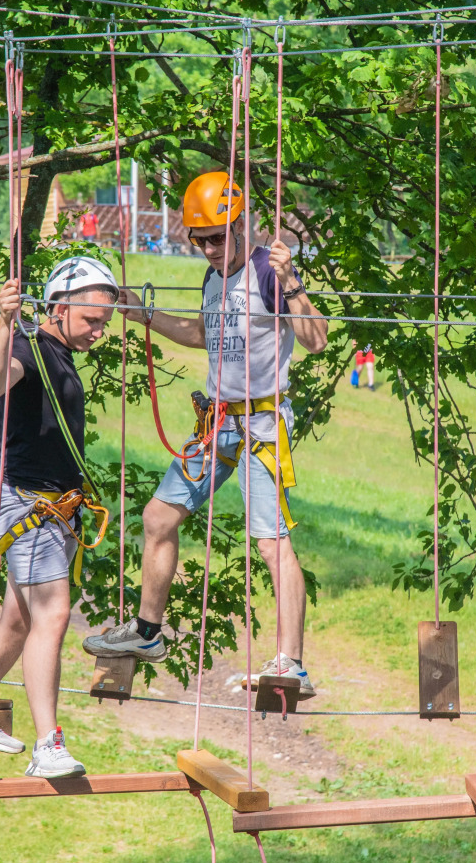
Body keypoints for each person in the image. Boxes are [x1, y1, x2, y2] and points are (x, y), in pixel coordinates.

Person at [83, 170, 328, 698]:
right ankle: (147, 634)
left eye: (218, 237)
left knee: (270, 542)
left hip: (262, 423)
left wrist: (292, 283)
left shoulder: (267, 271)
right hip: (217, 423)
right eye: (200, 240)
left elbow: (316, 340)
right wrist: (142, 312)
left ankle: (292, 662)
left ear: (242, 226)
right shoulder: (212, 279)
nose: (210, 249)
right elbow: (202, 332)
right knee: (158, 516)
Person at [0, 256, 121, 778]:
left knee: (17, 621)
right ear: (58, 308)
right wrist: (2, 321)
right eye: (91, 320)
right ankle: (48, 744)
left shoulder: (57, 353)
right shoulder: (26, 347)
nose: (98, 332)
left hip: (53, 508)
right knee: (53, 614)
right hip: (28, 503)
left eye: (104, 323)